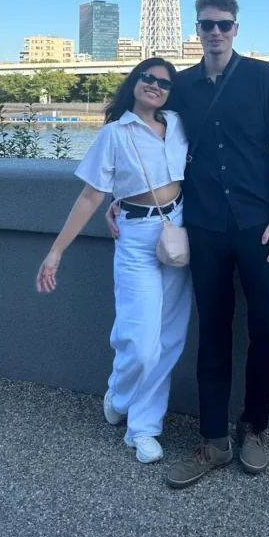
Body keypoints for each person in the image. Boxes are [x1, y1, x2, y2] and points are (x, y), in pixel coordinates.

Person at [108, 0, 269, 488]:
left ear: (237, 28)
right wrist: (121, 195)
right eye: (207, 25)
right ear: (197, 29)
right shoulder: (183, 87)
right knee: (212, 331)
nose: (216, 32)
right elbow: (147, 132)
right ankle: (213, 440)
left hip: (260, 226)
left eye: (225, 24)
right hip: (205, 226)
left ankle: (254, 426)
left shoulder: (263, 78)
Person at [36, 58, 192, 465]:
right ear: (134, 82)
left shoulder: (178, 124)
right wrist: (57, 250)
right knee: (141, 344)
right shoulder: (114, 134)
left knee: (169, 339)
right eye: (148, 78)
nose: (155, 86)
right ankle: (119, 394)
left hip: (178, 230)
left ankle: (143, 429)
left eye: (164, 83)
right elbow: (91, 197)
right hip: (136, 238)